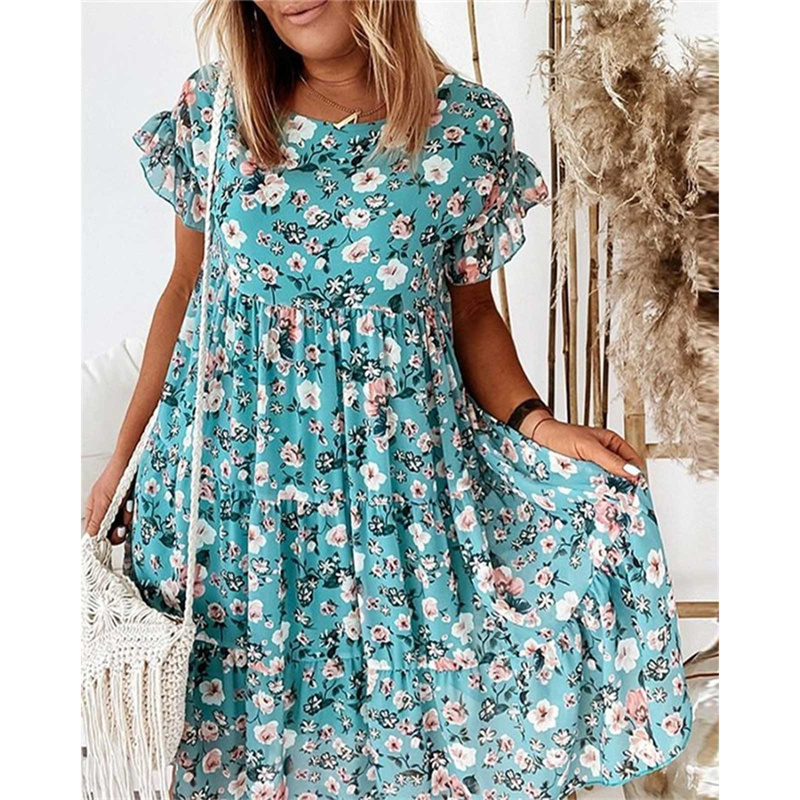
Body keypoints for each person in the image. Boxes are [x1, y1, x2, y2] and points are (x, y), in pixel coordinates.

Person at [84, 1, 692, 797]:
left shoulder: (467, 130)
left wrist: (540, 425)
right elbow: (184, 290)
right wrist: (122, 461)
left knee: (403, 739)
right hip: (234, 507)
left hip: (395, 507)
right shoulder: (216, 108)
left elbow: (472, 316)